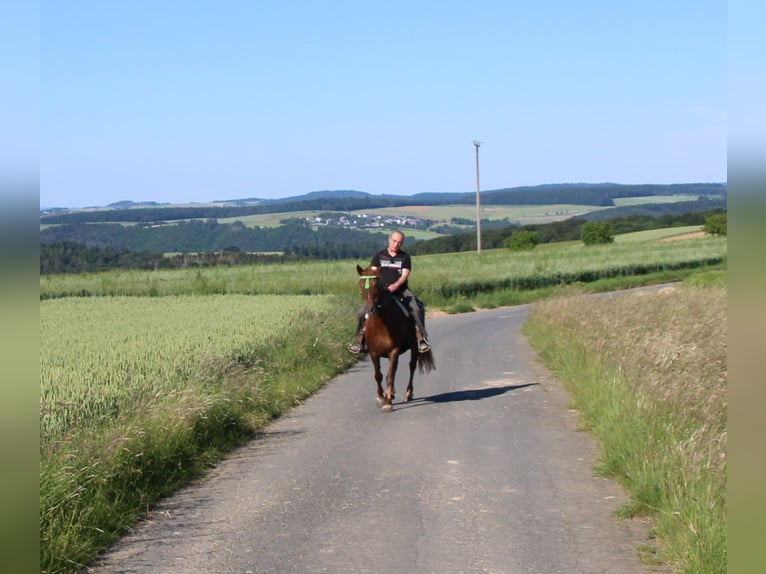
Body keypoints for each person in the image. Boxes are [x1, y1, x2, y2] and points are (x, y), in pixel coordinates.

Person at [349, 230, 430, 354]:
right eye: (394, 241)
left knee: (416, 307)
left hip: (401, 291)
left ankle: (420, 338)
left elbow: (404, 276)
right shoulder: (379, 256)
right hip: (382, 292)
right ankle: (360, 340)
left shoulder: (405, 257)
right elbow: (373, 273)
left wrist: (395, 285)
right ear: (389, 240)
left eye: (399, 242)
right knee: (362, 312)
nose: (396, 244)